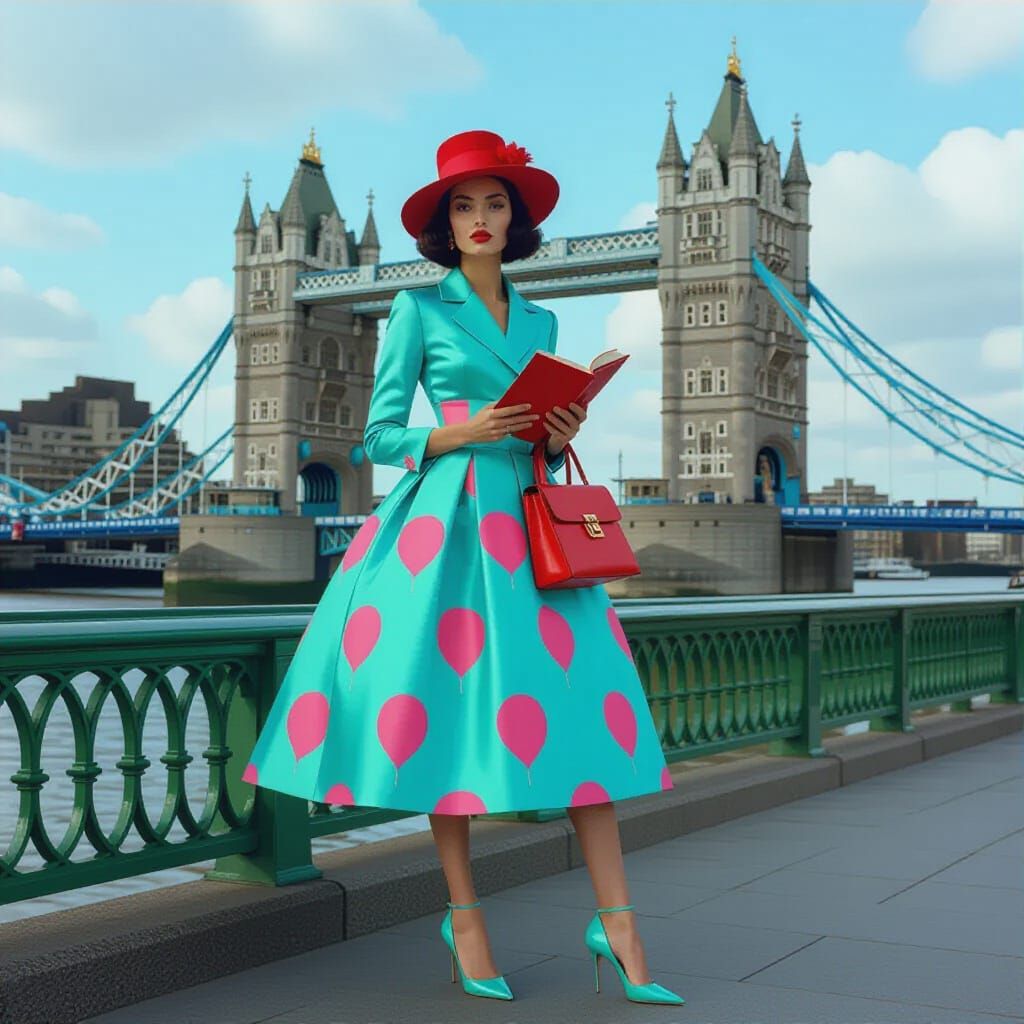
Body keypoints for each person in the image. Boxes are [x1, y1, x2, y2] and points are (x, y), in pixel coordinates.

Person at [243, 129, 684, 1007]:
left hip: (529, 528)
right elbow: (377, 437)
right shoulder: (418, 310)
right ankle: (465, 916)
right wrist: (458, 431)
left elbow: (542, 447)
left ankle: (621, 923)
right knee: (447, 718)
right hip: (443, 529)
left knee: (580, 724)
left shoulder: (545, 320)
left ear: (515, 220)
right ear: (444, 224)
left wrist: (558, 437)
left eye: (494, 204)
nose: (480, 219)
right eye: (463, 205)